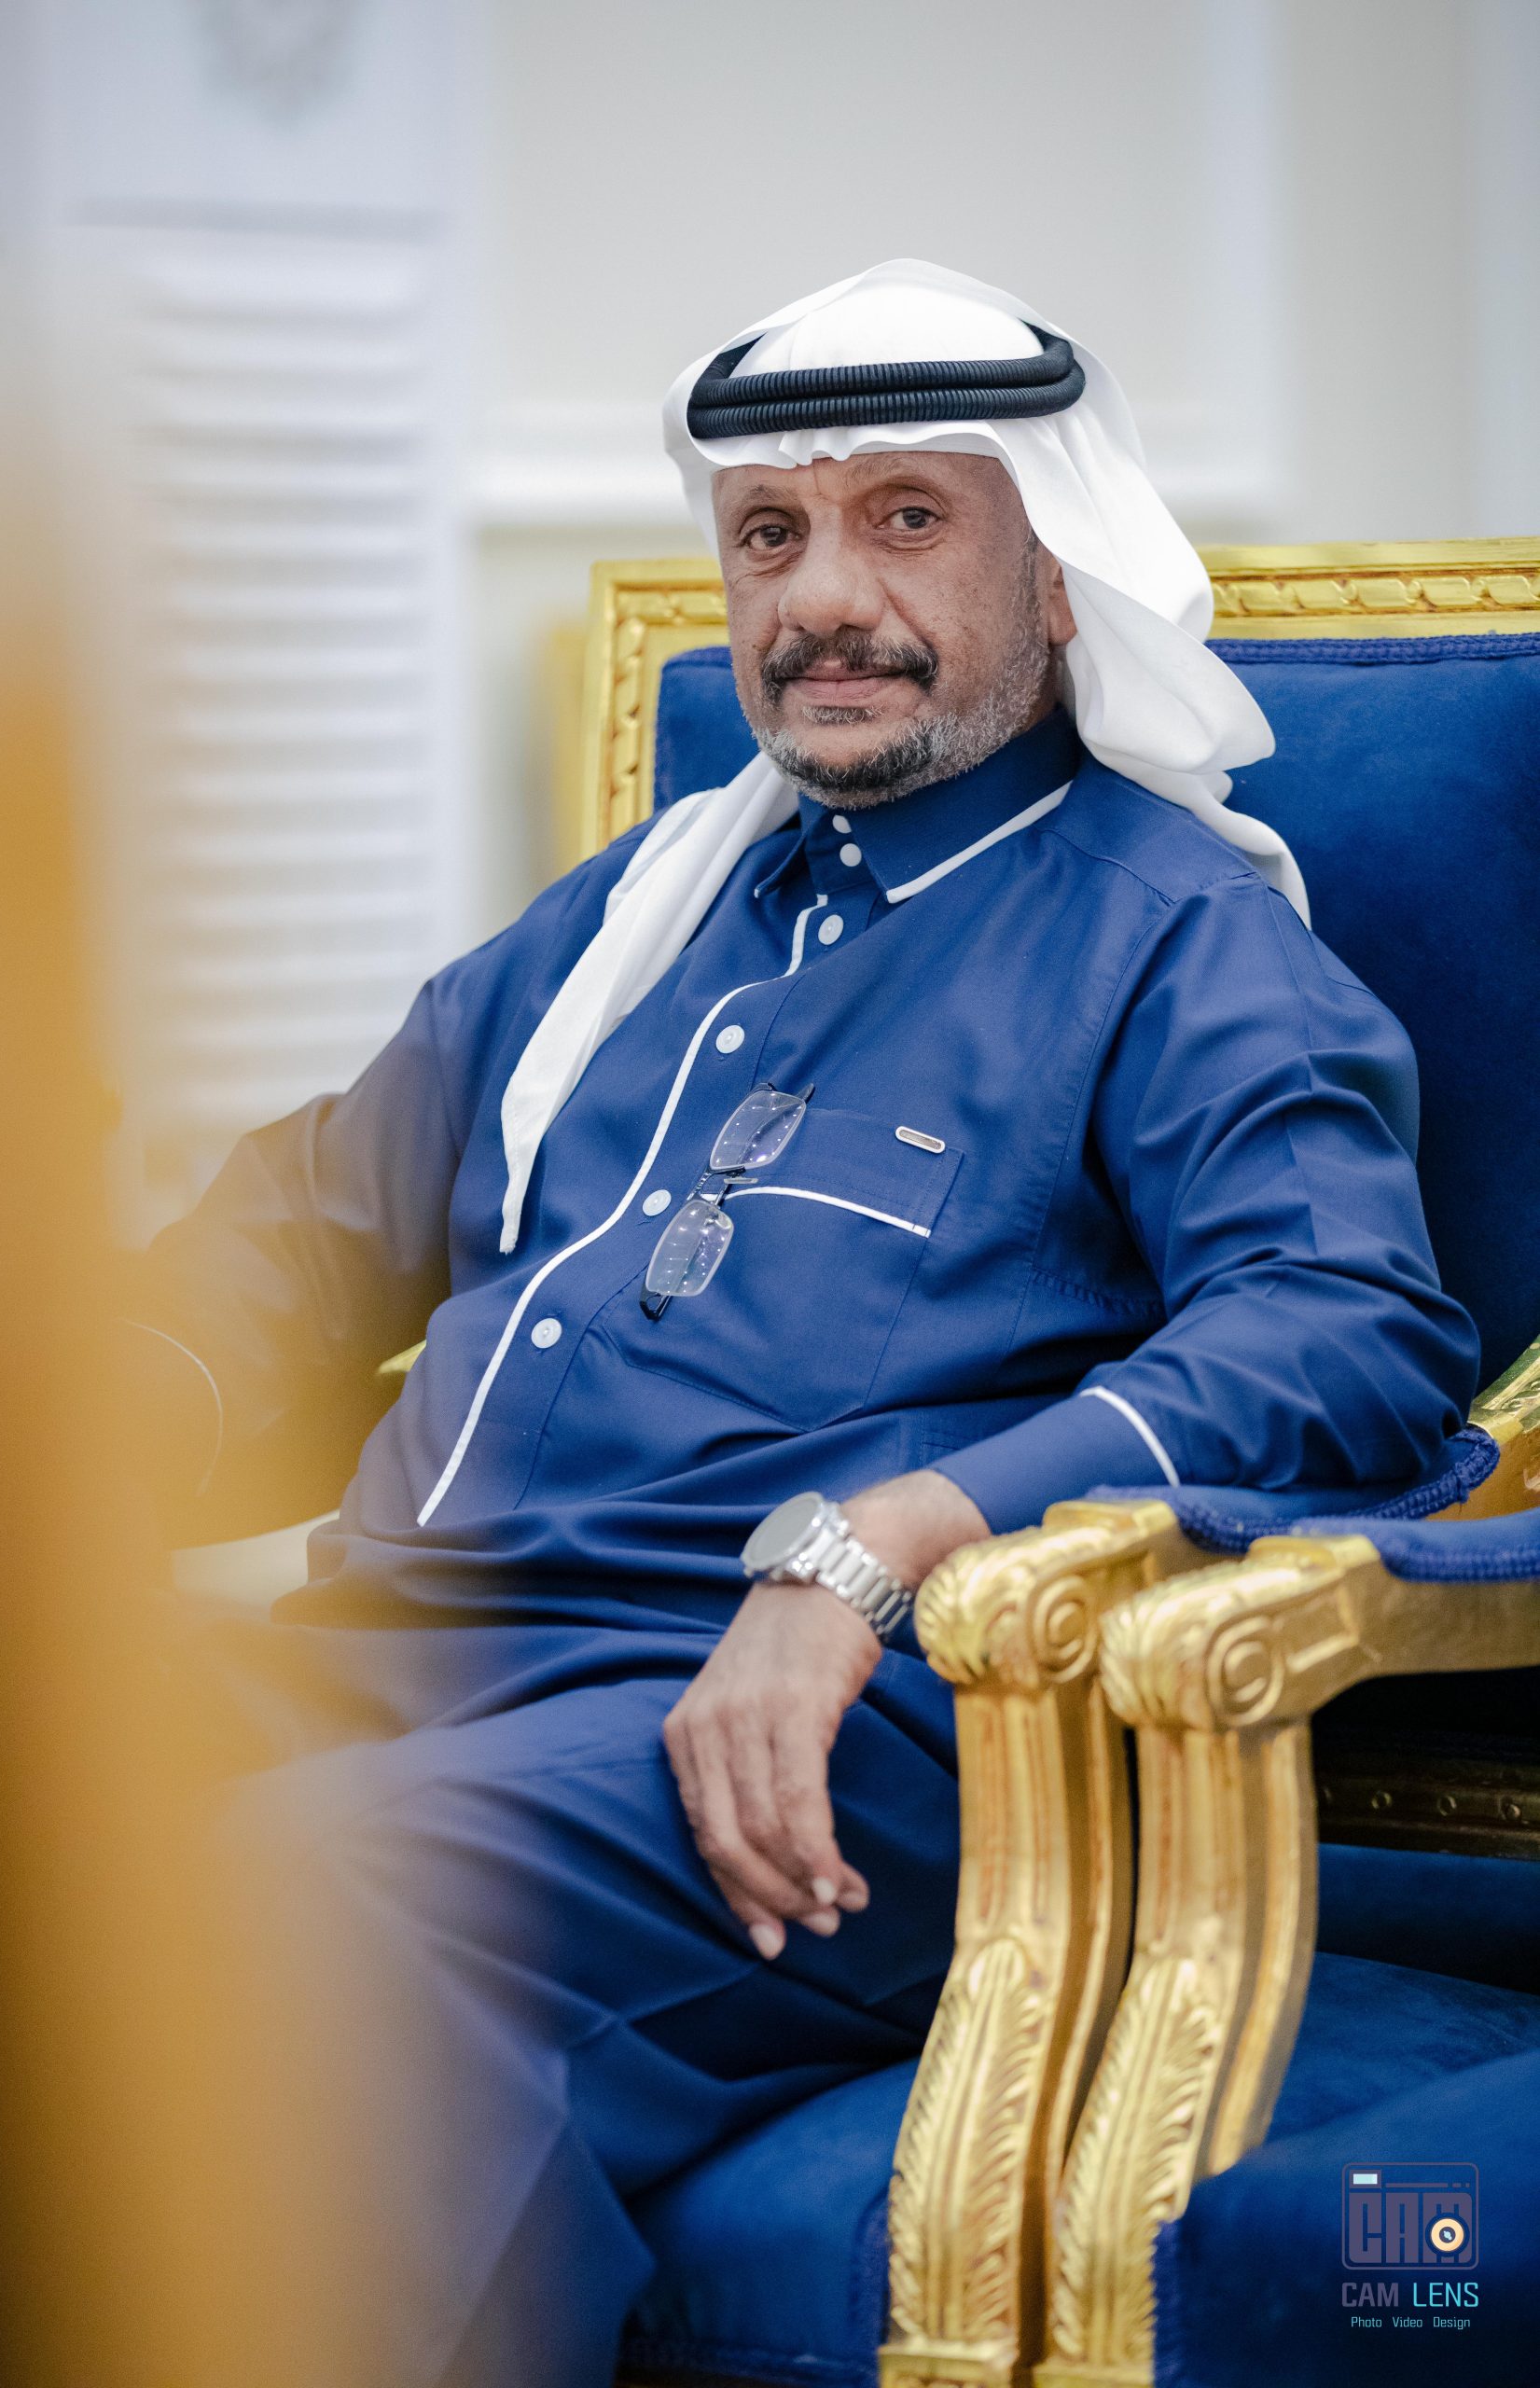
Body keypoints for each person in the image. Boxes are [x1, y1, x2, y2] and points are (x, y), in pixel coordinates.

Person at [127, 261, 1478, 2387]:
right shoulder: (629, 918)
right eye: (770, 534)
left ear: (1056, 574)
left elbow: (1346, 1331)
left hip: (806, 1725)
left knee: (304, 1903)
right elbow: (289, 1248)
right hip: (400, 1655)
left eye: (906, 521)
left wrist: (880, 1543)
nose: (823, 598)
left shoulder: (1173, 937)